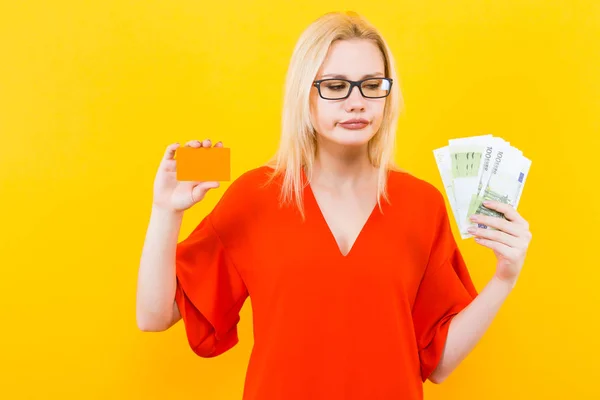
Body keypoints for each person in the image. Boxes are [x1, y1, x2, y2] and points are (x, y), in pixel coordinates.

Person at [136, 10, 533, 400]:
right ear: (303, 94)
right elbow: (152, 317)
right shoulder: (254, 195)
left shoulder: (421, 204)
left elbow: (441, 364)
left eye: (372, 84)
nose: (357, 102)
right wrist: (165, 210)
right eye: (336, 86)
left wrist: (504, 278)